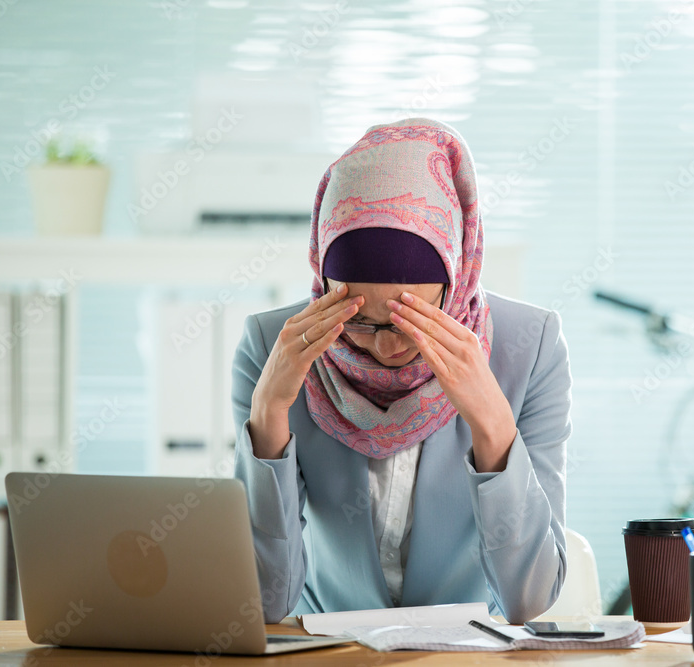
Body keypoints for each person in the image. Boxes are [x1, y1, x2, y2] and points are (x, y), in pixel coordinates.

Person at [231, 117, 572, 624]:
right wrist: (267, 417)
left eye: (411, 320)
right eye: (360, 322)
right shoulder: (273, 349)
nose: (388, 347)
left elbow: (529, 599)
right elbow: (261, 602)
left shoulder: (531, 347)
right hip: (326, 657)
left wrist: (492, 424)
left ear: (456, 277)